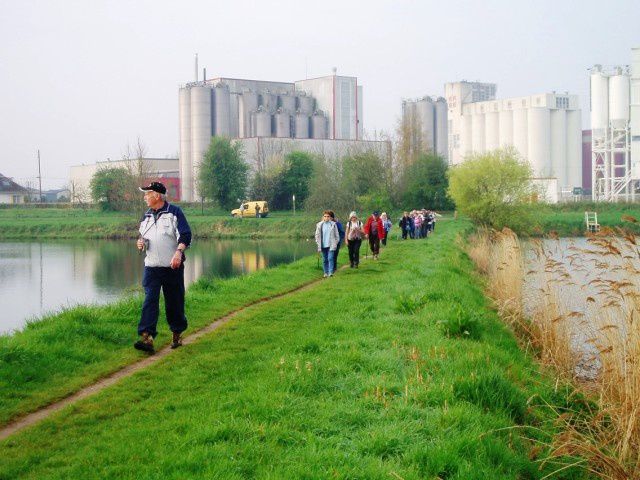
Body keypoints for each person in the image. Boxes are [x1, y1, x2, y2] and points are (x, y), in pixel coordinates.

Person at [134, 181, 192, 354]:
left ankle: (177, 332)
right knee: (150, 300)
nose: (144, 197)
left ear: (157, 196)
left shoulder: (175, 213)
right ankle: (147, 338)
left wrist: (178, 253)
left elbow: (186, 235)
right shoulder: (146, 216)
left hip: (172, 266)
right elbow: (143, 236)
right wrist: (141, 243)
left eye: (147, 194)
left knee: (174, 302)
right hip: (151, 267)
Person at [314, 210, 339, 277]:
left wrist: (335, 243)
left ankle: (330, 272)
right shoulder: (319, 225)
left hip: (331, 245)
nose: (326, 218)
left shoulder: (333, 224)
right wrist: (318, 242)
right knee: (325, 259)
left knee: (330, 258)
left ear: (330, 217)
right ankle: (325, 272)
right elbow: (317, 235)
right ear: (323, 217)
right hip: (323, 245)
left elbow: (337, 236)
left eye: (328, 216)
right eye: (325, 216)